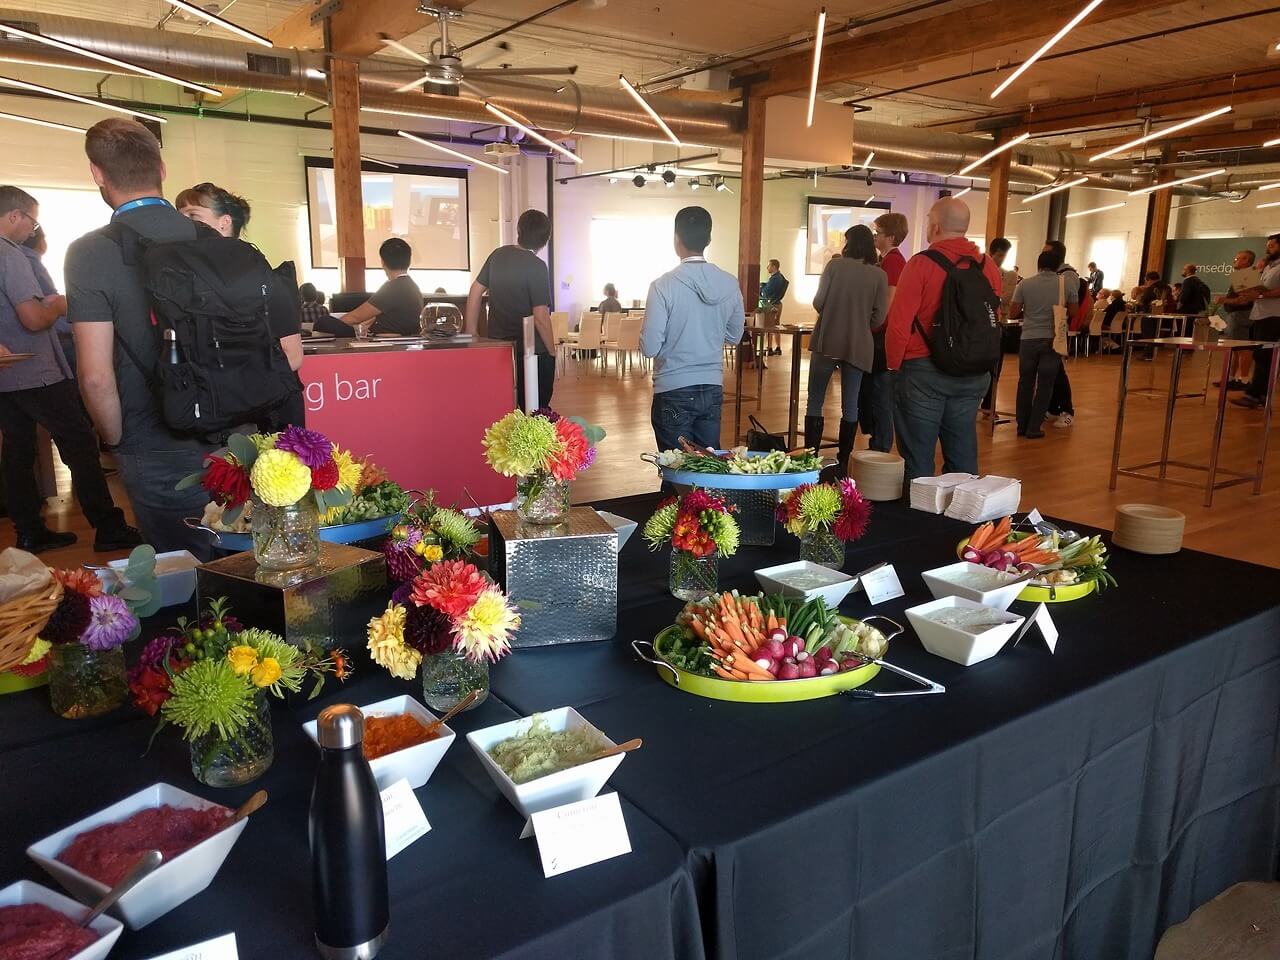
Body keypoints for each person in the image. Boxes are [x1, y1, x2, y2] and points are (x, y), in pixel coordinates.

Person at [67, 119, 222, 557]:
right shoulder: (208, 236)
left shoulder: (90, 253)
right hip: (231, 435)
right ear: (162, 168)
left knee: (182, 575)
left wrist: (116, 442)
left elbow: (95, 376)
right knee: (240, 561)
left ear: (98, 173)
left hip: (152, 442)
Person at [0, 185, 140, 554]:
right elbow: (32, 318)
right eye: (32, 220)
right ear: (15, 216)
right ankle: (108, 526)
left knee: (17, 452)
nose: (32, 229)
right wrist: (61, 305)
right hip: (35, 369)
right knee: (79, 442)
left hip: (5, 374)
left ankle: (29, 530)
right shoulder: (10, 254)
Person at [884, 197, 1001, 481]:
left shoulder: (921, 264)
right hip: (973, 373)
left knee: (918, 458)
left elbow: (899, 324)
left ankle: (921, 522)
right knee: (962, 454)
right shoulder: (988, 267)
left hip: (924, 371)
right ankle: (962, 520)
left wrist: (893, 368)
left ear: (934, 226)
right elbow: (992, 319)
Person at [176, 181, 305, 427]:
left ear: (224, 222)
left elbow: (293, 356)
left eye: (193, 215)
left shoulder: (266, 279)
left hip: (270, 409)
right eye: (180, 215)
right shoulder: (186, 284)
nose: (184, 223)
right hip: (223, 412)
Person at [640, 206, 744, 452]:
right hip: (712, 387)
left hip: (673, 387)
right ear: (708, 238)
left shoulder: (662, 286)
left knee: (677, 471)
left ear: (677, 240)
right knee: (708, 469)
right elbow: (734, 335)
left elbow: (650, 347)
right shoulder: (729, 283)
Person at [805, 225, 887, 477]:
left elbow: (818, 301)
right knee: (851, 403)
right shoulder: (878, 275)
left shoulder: (835, 266)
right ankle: (842, 461)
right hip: (859, 344)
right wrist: (860, 324)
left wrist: (833, 313)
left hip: (827, 339)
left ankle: (810, 456)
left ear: (849, 243)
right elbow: (879, 317)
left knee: (815, 399)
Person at [466, 210, 555, 410]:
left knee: (504, 408)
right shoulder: (537, 266)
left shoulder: (498, 255)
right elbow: (541, 317)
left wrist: (471, 332)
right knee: (536, 410)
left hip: (500, 349)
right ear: (546, 239)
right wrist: (552, 351)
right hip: (531, 352)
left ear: (518, 230)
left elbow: (475, 292)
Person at [1010, 247, 1077, 438]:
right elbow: (1073, 311)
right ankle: (1034, 428)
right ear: (1057, 266)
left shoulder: (1025, 284)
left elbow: (1013, 312)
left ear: (1038, 265)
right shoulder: (1066, 284)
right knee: (1045, 384)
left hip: (1028, 339)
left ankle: (1021, 426)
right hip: (1053, 339)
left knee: (1025, 383)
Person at [860, 211, 909, 452]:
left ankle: (880, 445)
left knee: (880, 395)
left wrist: (872, 326)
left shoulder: (893, 262)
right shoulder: (889, 260)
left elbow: (888, 302)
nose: (875, 237)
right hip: (880, 334)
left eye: (877, 233)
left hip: (882, 337)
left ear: (890, 236)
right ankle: (878, 441)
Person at [337, 237, 423, 339]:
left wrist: (333, 325)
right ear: (408, 261)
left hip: (387, 343)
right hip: (402, 341)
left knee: (324, 322)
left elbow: (355, 317)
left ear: (383, 262)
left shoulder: (394, 287)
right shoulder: (411, 286)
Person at [1231, 234, 1280, 410]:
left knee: (1265, 356)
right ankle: (1258, 393)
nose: (1268, 249)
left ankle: (1256, 394)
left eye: (1272, 246)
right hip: (1260, 314)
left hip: (1274, 316)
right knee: (1260, 355)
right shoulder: (1268, 267)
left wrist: (1261, 294)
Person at [980, 236, 1016, 416]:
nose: (1001, 258)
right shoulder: (979, 270)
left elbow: (1006, 298)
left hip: (999, 323)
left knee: (995, 367)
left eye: (1004, 255)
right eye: (999, 255)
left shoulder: (1008, 275)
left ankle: (988, 403)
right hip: (980, 324)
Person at [1217, 250, 1262, 387]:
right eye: (1235, 258)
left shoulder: (1246, 276)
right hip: (1236, 315)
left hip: (1241, 315)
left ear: (1247, 261)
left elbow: (1243, 300)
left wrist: (1224, 300)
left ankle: (1244, 379)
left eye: (1239, 259)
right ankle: (1231, 378)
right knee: (1235, 348)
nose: (1235, 260)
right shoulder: (1242, 276)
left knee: (1243, 348)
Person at [759, 259, 789, 355]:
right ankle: (778, 347)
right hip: (778, 303)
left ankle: (769, 348)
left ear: (774, 266)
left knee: (769, 326)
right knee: (775, 326)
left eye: (769, 266)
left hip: (772, 304)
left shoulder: (775, 278)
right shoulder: (780, 277)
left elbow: (766, 292)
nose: (767, 267)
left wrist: (761, 288)